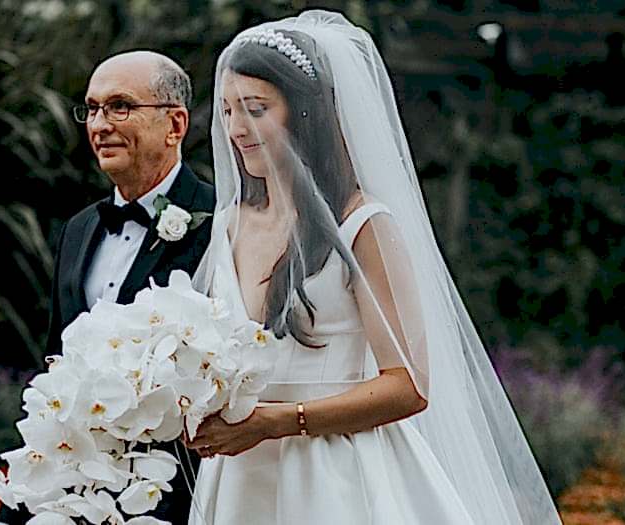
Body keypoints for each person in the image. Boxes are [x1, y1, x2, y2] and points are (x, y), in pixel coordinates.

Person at [186, 11, 559, 524]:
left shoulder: (363, 225)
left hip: (336, 476)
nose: (235, 130)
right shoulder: (228, 225)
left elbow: (408, 384)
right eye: (227, 111)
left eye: (255, 109)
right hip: (241, 479)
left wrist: (279, 422)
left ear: (305, 112)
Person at [0, 50, 212, 525]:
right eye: (92, 109)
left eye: (120, 106)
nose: (99, 124)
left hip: (177, 491)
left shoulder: (220, 224)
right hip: (77, 482)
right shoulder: (78, 230)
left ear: (175, 125)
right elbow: (57, 363)